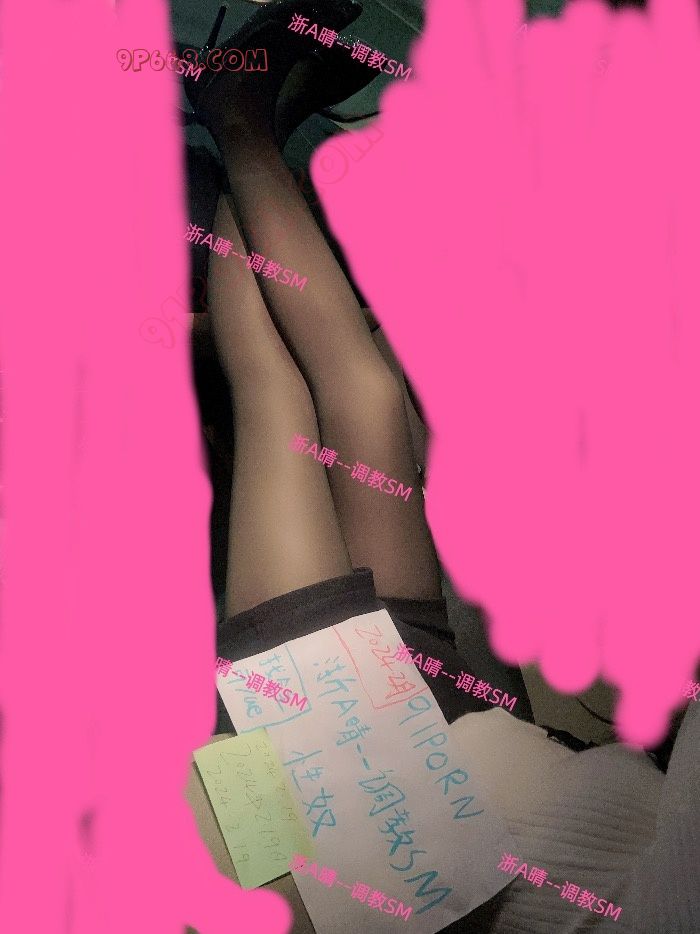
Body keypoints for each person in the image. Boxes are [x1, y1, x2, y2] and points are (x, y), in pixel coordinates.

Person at [182, 2, 698, 932]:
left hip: (340, 784)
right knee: (368, 395)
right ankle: (254, 117)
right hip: (437, 724)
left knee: (281, 404)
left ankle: (241, 114)